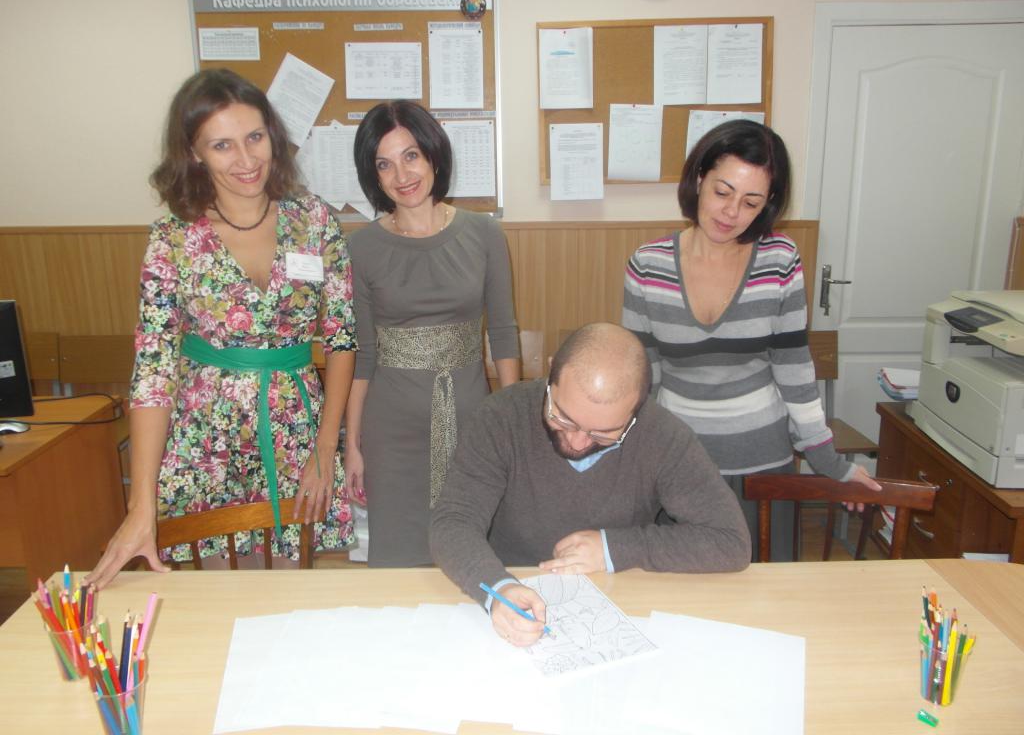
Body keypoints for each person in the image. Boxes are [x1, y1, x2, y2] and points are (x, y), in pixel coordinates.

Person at [87, 69, 357, 588]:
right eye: (222, 145)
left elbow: (342, 337)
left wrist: (327, 449)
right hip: (206, 437)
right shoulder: (173, 239)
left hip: (294, 428)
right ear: (194, 153)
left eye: (255, 137)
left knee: (289, 589)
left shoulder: (315, 220)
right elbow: (153, 373)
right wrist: (141, 505)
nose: (246, 159)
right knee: (224, 593)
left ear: (272, 135)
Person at [622, 119, 880, 562]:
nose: (731, 213)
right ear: (699, 179)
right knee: (683, 589)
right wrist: (628, 457)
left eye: (751, 202)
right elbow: (641, 378)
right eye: (722, 192)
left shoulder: (779, 259)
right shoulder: (648, 265)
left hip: (763, 461)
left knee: (767, 588)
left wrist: (828, 461)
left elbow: (794, 369)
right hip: (679, 462)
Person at [430, 322, 750, 646]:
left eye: (604, 434)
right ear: (551, 372)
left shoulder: (663, 436)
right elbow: (453, 522)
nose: (578, 442)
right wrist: (497, 588)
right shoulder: (500, 418)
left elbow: (731, 541)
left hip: (624, 607)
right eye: (563, 418)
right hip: (511, 589)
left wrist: (614, 549)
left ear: (637, 406)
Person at [346, 100, 519, 567]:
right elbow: (363, 356)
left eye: (411, 156)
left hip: (471, 418)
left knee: (473, 552)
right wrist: (352, 445)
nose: (401, 174)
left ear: (433, 155)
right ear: (373, 176)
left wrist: (512, 425)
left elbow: (503, 335)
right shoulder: (360, 248)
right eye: (384, 164)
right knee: (398, 560)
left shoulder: (483, 234)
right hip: (391, 431)